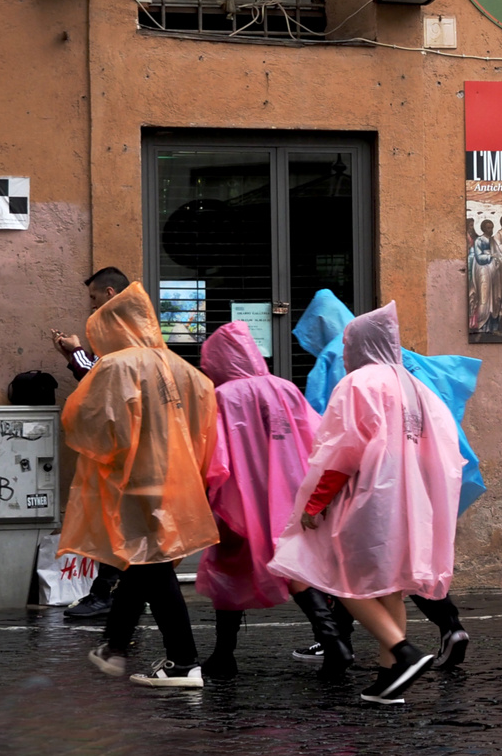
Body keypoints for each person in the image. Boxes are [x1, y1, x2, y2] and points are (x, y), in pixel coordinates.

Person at [269, 302, 463, 705]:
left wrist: (315, 502)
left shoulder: (359, 384)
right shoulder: (414, 385)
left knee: (345, 579)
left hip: (370, 497)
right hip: (412, 499)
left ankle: (403, 653)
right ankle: (389, 674)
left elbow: (343, 448)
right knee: (388, 584)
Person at [59, 282, 218, 689]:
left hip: (136, 480)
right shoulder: (185, 369)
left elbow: (89, 423)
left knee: (150, 564)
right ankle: (117, 646)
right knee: (146, 562)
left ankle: (180, 660)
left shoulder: (116, 366)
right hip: (175, 481)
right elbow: (203, 430)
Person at [194, 320, 322, 680]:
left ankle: (224, 653)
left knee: (228, 568)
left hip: (239, 501)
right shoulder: (285, 388)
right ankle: (332, 640)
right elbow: (313, 434)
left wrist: (207, 494)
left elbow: (215, 454)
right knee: (296, 566)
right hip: (289, 495)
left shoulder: (223, 397)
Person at [48, 265, 132, 620]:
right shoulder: (129, 327)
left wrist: (77, 351)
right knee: (124, 525)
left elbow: (103, 375)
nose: (91, 306)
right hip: (124, 443)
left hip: (126, 445)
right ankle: (114, 597)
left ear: (109, 295)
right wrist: (73, 357)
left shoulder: (121, 331)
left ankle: (106, 596)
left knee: (122, 525)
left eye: (93, 298)